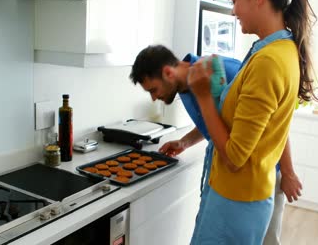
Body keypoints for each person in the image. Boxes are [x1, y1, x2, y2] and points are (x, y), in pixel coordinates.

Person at [185, 0, 318, 243]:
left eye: (235, 1)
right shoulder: (279, 50)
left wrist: (203, 97)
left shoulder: (268, 61)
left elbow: (235, 157)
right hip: (241, 196)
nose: (233, 12)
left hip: (235, 201)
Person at [130, 44, 303, 244]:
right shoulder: (185, 87)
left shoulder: (222, 72)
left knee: (267, 241)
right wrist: (185, 142)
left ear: (168, 73)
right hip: (229, 179)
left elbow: (276, 121)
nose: (153, 98)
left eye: (153, 90)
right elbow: (218, 123)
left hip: (263, 175)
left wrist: (288, 172)